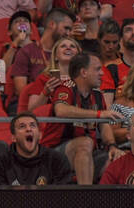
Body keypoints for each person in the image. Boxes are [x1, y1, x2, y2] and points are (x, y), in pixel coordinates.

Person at [44, 51, 123, 183]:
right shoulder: (65, 89)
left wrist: (112, 146)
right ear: (84, 72)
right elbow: (61, 110)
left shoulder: (97, 95)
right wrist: (98, 114)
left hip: (89, 151)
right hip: (53, 152)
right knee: (85, 143)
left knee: (118, 158)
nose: (102, 73)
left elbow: (104, 125)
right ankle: (85, 199)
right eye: (98, 69)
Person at [0, 110, 75, 183]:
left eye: (32, 125)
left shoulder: (56, 160)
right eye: (22, 126)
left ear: (40, 135)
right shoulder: (0, 164)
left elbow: (63, 198)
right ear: (13, 138)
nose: (29, 129)